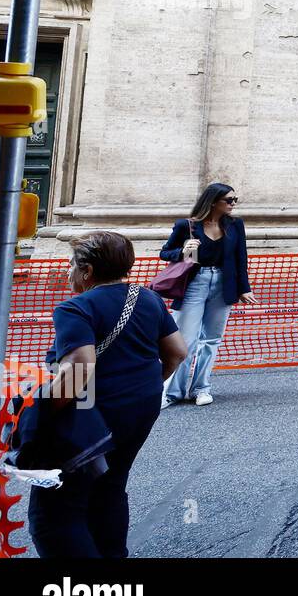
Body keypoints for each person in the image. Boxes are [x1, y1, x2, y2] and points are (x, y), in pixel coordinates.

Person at [28, 231, 188, 558]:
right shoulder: (148, 298)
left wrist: (40, 412)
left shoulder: (76, 307)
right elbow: (177, 352)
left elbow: (79, 366)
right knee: (111, 487)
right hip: (141, 408)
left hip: (92, 414)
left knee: (56, 511)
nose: (69, 271)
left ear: (87, 271)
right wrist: (146, 385)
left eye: (72, 264)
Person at [160, 182, 257, 407]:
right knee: (185, 341)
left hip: (223, 283)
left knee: (211, 339)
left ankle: (201, 388)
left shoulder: (235, 225)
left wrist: (244, 288)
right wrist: (182, 251)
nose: (233, 204)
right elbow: (165, 252)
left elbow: (240, 258)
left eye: (235, 200)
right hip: (195, 282)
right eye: (229, 200)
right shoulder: (187, 225)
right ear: (213, 202)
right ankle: (172, 392)